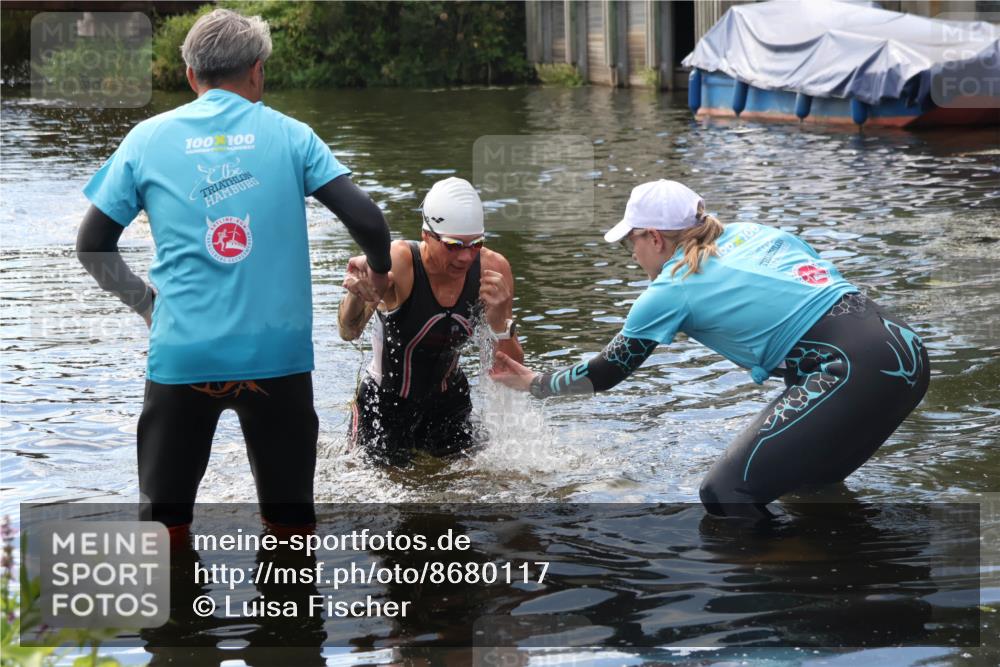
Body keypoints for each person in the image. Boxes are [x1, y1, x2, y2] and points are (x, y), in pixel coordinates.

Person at [76, 9, 392, 534]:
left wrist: (148, 305)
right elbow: (367, 220)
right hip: (277, 360)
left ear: (191, 77)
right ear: (257, 71)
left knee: (163, 529)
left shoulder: (146, 138)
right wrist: (380, 274)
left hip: (183, 356)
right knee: (290, 527)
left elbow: (92, 246)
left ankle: (176, 614)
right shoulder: (293, 136)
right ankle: (289, 612)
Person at [491, 179, 930, 518]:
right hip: (905, 349)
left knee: (724, 493)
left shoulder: (670, 289)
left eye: (631, 243)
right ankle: (851, 576)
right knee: (808, 483)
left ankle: (786, 587)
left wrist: (534, 383)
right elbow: (816, 299)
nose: (632, 255)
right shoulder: (755, 233)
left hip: (852, 370)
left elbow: (606, 372)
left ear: (654, 238)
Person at [338, 177, 524, 464]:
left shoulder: (493, 269)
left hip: (448, 405)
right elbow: (349, 331)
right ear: (427, 235)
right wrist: (356, 295)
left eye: (475, 244)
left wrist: (500, 323)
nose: (465, 257)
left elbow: (513, 372)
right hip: (384, 404)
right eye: (452, 245)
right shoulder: (399, 263)